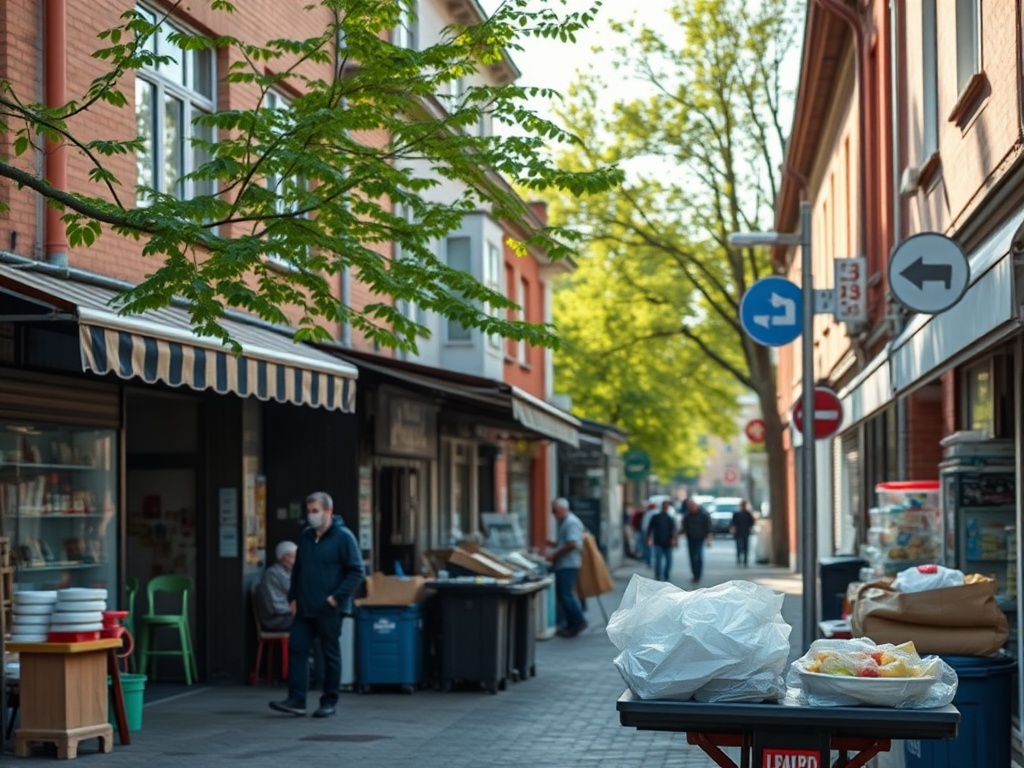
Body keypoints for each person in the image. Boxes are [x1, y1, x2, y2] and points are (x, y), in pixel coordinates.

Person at [270, 491, 365, 718]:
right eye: (309, 511)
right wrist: (293, 597)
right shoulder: (305, 536)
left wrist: (336, 598)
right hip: (304, 607)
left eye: (315, 511)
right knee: (297, 648)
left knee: (329, 653)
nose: (311, 516)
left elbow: (356, 571)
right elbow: (298, 570)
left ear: (328, 511)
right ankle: (296, 700)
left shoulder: (343, 537)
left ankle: (328, 701)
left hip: (329, 608)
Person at [546, 497, 587, 638]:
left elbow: (572, 543)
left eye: (555, 511)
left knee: (566, 594)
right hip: (566, 563)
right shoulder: (565, 522)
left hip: (568, 564)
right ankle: (570, 624)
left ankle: (578, 621)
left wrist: (555, 554)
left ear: (563, 509)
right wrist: (555, 544)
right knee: (564, 595)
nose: (554, 514)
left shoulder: (571, 522)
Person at [257, 540, 297, 631]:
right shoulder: (273, 573)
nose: (296, 561)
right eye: (293, 557)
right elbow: (275, 606)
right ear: (282, 557)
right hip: (276, 619)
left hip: (287, 614)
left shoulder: (288, 572)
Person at [680, 497, 713, 583]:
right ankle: (694, 574)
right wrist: (684, 532)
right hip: (690, 538)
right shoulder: (687, 515)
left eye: (692, 506)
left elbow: (708, 527)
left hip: (700, 538)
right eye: (689, 507)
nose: (691, 508)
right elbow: (684, 525)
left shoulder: (703, 515)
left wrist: (708, 538)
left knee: (698, 556)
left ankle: (698, 574)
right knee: (692, 557)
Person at [646, 500, 678, 581]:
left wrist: (674, 539)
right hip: (659, 541)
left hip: (667, 542)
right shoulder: (657, 517)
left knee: (666, 560)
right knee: (659, 560)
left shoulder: (669, 518)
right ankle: (659, 575)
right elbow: (650, 528)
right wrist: (648, 538)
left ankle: (664, 575)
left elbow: (673, 530)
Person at [730, 499, 757, 566]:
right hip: (739, 533)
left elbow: (752, 522)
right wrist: (733, 529)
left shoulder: (748, 514)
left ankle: (745, 560)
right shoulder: (737, 514)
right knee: (739, 546)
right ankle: (739, 559)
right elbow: (733, 523)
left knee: (745, 547)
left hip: (745, 532)